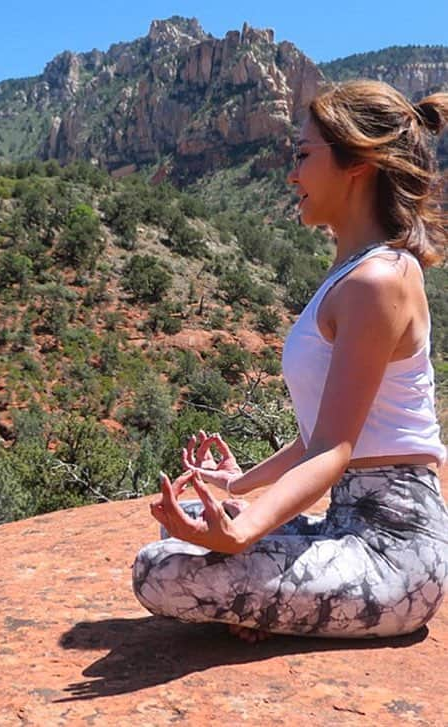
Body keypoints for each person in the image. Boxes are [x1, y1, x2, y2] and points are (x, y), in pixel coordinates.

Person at [132, 79, 448, 640]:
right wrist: (238, 488)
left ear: (358, 161)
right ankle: (277, 602)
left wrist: (245, 531)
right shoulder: (353, 274)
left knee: (160, 572)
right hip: (346, 526)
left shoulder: (381, 280)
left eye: (304, 156)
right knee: (181, 538)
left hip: (399, 550)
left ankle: (273, 604)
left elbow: (334, 449)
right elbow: (318, 437)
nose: (291, 174)